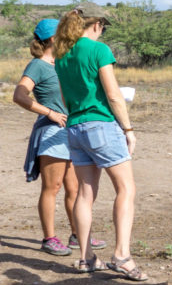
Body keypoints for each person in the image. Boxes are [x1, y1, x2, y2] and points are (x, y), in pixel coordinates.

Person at [53, 2, 144, 279]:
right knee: (126, 189)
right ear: (96, 24)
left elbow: (66, 98)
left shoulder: (62, 54)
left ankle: (86, 258)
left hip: (75, 126)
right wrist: (128, 129)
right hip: (101, 125)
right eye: (102, 26)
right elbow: (114, 94)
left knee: (85, 193)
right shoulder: (99, 50)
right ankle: (122, 255)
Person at [14, 18, 106, 258]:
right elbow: (20, 95)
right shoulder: (38, 65)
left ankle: (78, 234)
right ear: (53, 38)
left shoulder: (62, 62)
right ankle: (49, 238)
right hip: (52, 131)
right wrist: (50, 113)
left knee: (74, 188)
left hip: (71, 131)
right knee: (52, 187)